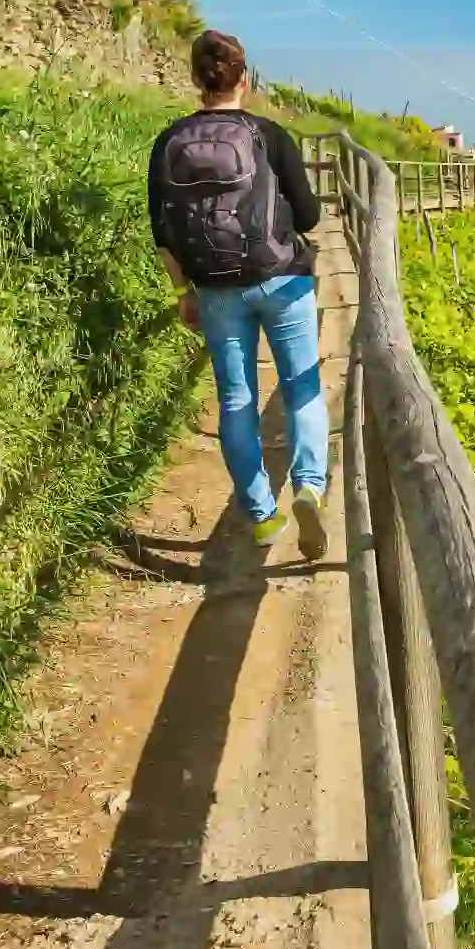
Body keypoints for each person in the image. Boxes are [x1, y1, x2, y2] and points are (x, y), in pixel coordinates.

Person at [149, 30, 328, 556]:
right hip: (283, 277)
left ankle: (261, 514)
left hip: (216, 289)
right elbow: (312, 215)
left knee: (236, 399)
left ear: (195, 81)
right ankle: (310, 487)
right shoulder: (268, 135)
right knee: (303, 387)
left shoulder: (169, 143)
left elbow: (163, 232)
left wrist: (184, 291)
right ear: (244, 79)